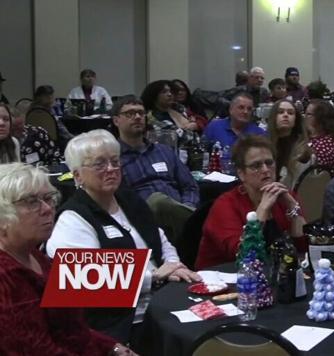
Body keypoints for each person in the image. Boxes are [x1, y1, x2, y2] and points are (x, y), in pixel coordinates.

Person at [47, 130, 200, 345]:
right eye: (99, 164)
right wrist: (154, 276)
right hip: (123, 323)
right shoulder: (72, 219)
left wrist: (174, 265)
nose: (111, 169)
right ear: (78, 175)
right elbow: (87, 281)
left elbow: (161, 239)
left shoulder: (129, 200)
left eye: (115, 161)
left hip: (162, 303)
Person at [0, 163, 135, 356]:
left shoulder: (34, 255)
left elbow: (72, 328)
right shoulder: (5, 277)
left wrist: (112, 347)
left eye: (48, 198)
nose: (47, 209)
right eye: (31, 202)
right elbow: (39, 350)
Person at [195, 135, 307, 270]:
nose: (265, 169)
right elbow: (241, 254)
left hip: (271, 272)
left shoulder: (285, 196)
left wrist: (293, 207)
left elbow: (303, 247)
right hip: (222, 276)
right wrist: (263, 209)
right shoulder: (225, 205)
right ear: (241, 173)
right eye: (256, 166)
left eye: (269, 163)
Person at [113, 96, 199, 208]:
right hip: (142, 214)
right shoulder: (113, 159)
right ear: (116, 121)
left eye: (141, 113)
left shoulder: (164, 151)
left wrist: (188, 206)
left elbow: (190, 186)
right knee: (158, 200)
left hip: (179, 211)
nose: (137, 117)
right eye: (130, 113)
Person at [202, 92, 266, 158]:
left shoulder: (259, 134)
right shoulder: (214, 127)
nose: (245, 112)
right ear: (231, 110)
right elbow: (203, 152)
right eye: (241, 107)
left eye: (249, 109)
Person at [267, 99, 309, 189]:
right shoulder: (265, 144)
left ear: (296, 119)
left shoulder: (302, 149)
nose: (285, 115)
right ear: (273, 117)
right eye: (280, 112)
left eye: (290, 113)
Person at [305, 100, 334, 175]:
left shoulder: (326, 145)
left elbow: (312, 176)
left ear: (320, 119)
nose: (305, 117)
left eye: (309, 114)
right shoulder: (314, 138)